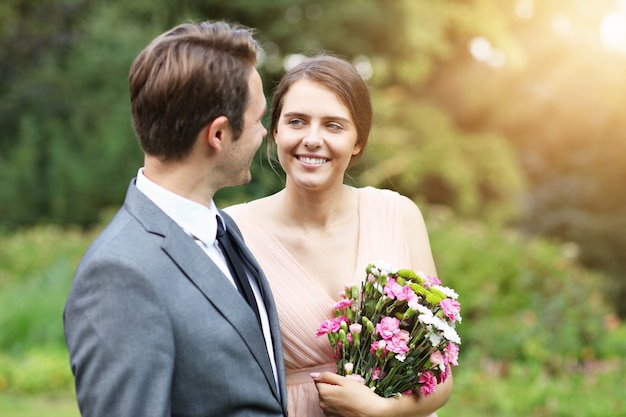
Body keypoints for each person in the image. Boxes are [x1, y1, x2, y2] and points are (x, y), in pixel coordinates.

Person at [63, 21, 288, 417]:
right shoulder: (120, 274)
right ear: (218, 135)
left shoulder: (223, 230)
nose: (264, 134)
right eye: (258, 120)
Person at [225, 54, 453, 416]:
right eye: (297, 121)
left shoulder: (399, 215)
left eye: (333, 125)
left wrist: (380, 411)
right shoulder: (231, 233)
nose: (312, 139)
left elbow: (439, 374)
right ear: (277, 130)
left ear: (358, 141)